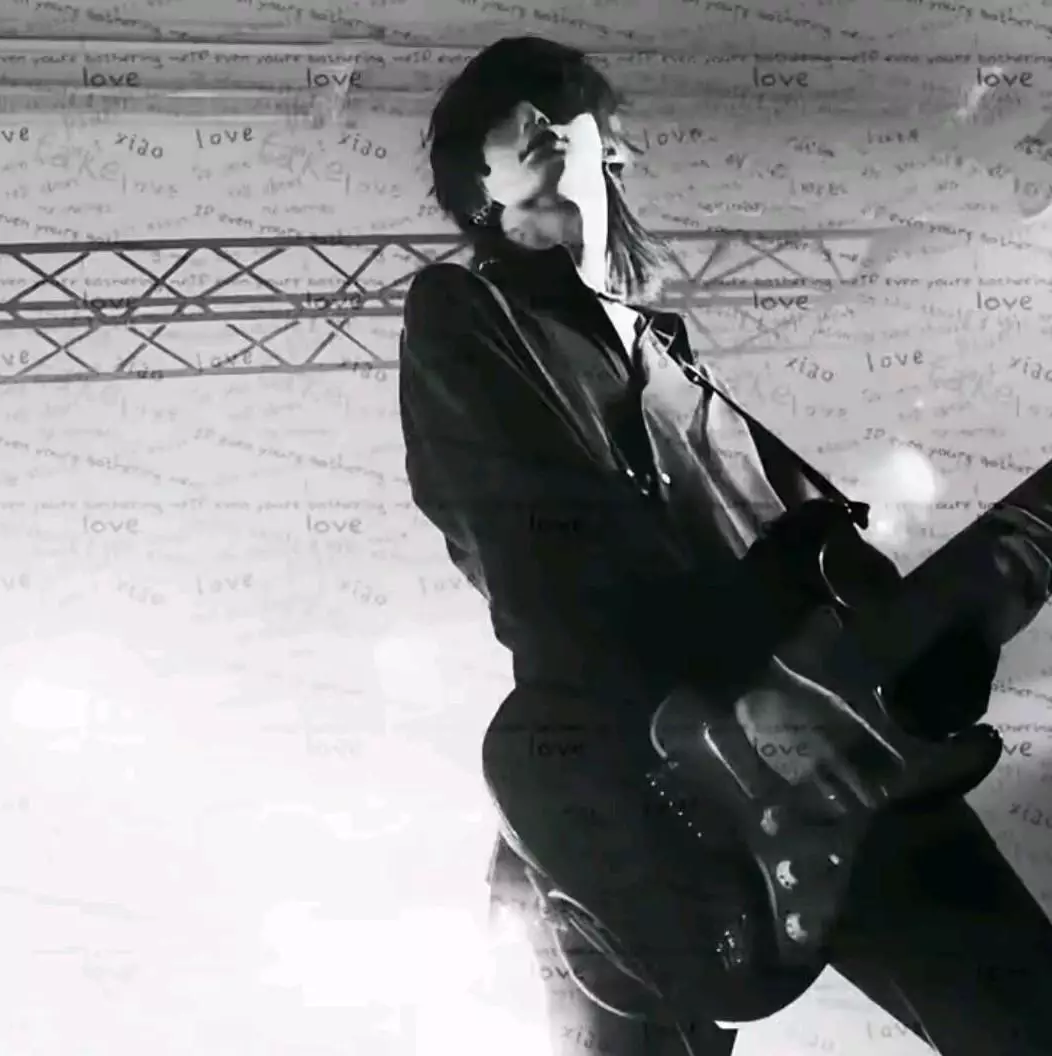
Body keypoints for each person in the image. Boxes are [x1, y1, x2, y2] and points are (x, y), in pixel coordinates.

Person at [399, 35, 1052, 1055]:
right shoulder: (465, 311)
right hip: (638, 782)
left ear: (612, 148)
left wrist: (934, 643)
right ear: (476, 189)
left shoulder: (672, 360)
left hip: (836, 740)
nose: (528, 119)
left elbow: (833, 570)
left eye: (553, 103)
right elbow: (546, 567)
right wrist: (762, 621)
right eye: (499, 120)